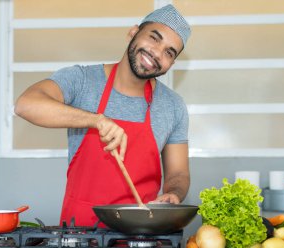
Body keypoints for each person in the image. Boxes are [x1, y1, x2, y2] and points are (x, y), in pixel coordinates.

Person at [15, 4, 191, 226]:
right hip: (80, 236)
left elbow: (178, 173)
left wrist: (173, 193)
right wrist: (95, 120)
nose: (157, 53)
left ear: (171, 64)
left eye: (169, 52)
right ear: (133, 32)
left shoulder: (173, 106)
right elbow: (25, 104)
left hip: (141, 235)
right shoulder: (82, 80)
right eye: (154, 38)